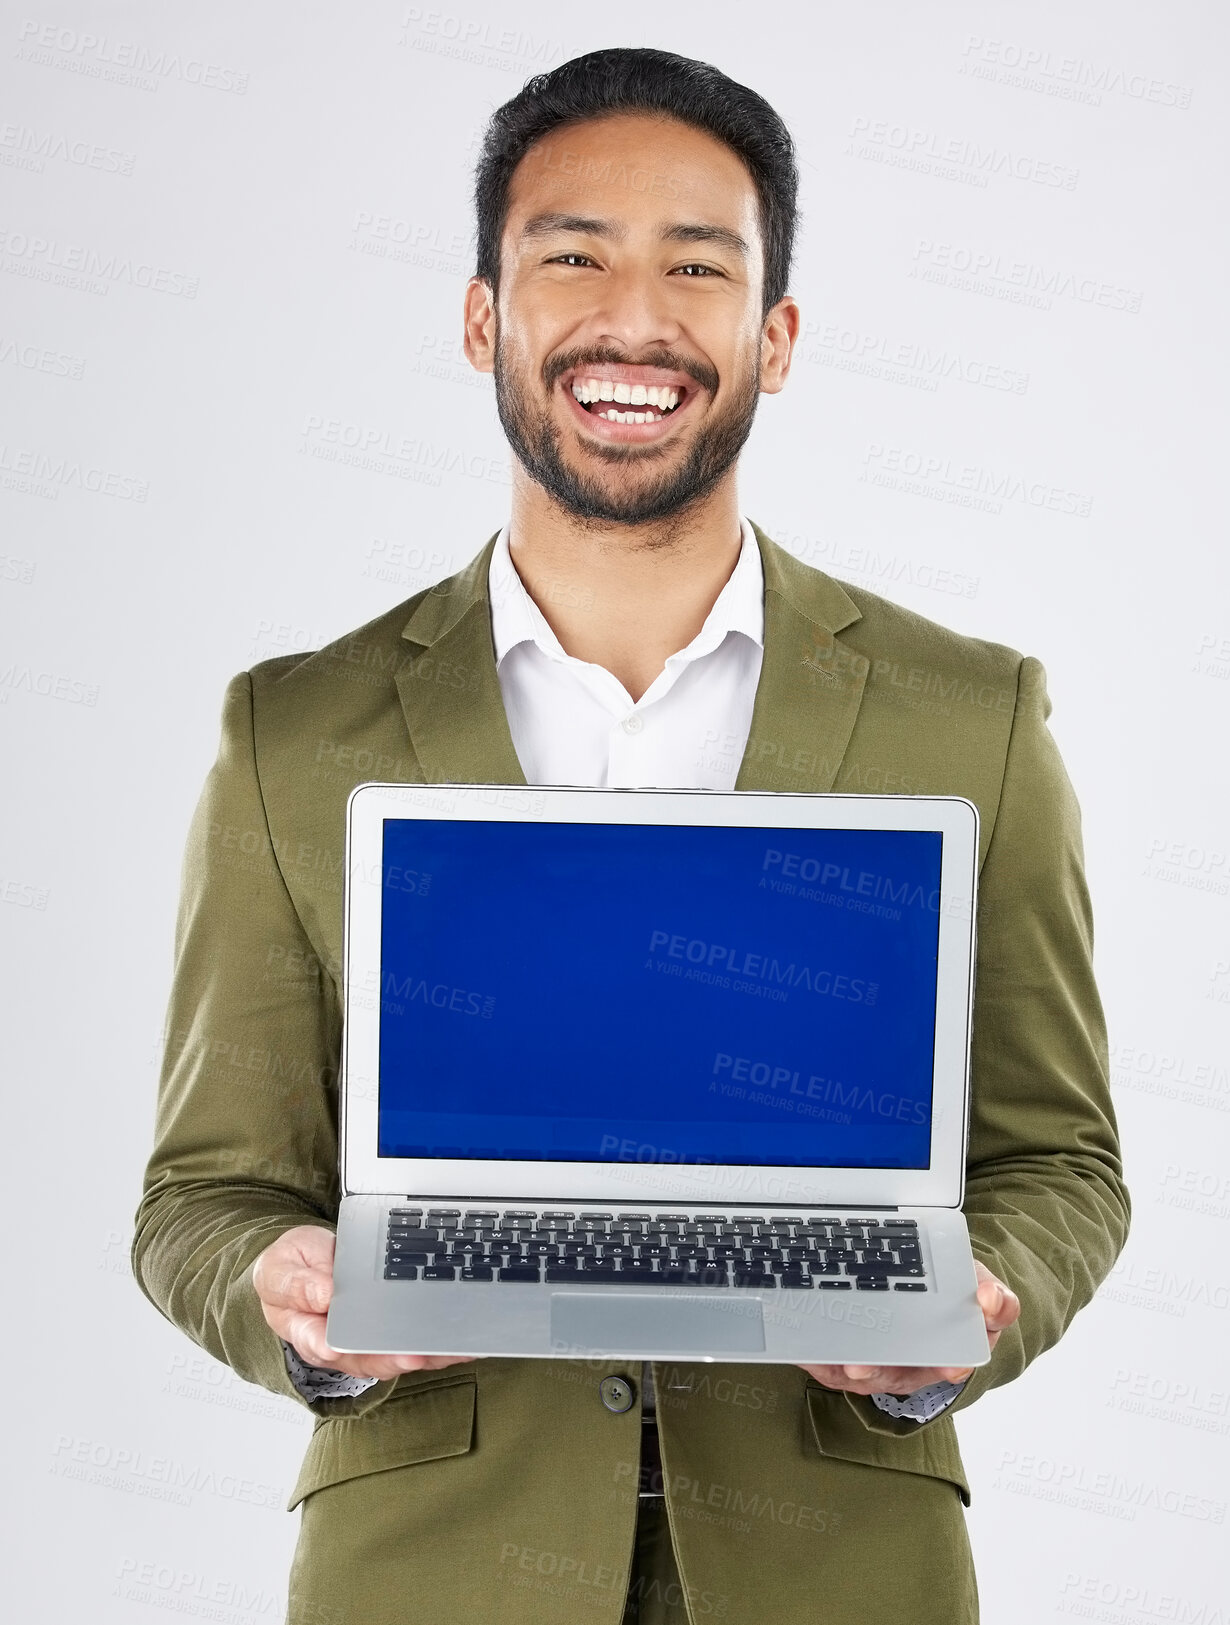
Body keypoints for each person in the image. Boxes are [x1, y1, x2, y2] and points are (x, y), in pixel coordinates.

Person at [132, 46, 1130, 1625]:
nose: (635, 319)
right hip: (435, 1567)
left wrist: (972, 1305)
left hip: (836, 1557)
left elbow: (1058, 1157)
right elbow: (204, 1192)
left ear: (774, 336)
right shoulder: (292, 732)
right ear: (484, 317)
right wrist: (283, 1292)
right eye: (572, 255)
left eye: (697, 266)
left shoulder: (972, 716)